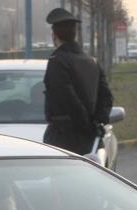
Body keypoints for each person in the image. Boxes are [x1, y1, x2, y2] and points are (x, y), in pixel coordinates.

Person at [42, 7, 113, 156]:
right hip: (89, 140)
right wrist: (98, 122)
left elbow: (67, 97)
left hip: (63, 139)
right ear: (75, 34)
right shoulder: (92, 62)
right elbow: (106, 97)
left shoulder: (57, 62)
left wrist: (85, 123)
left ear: (54, 35)